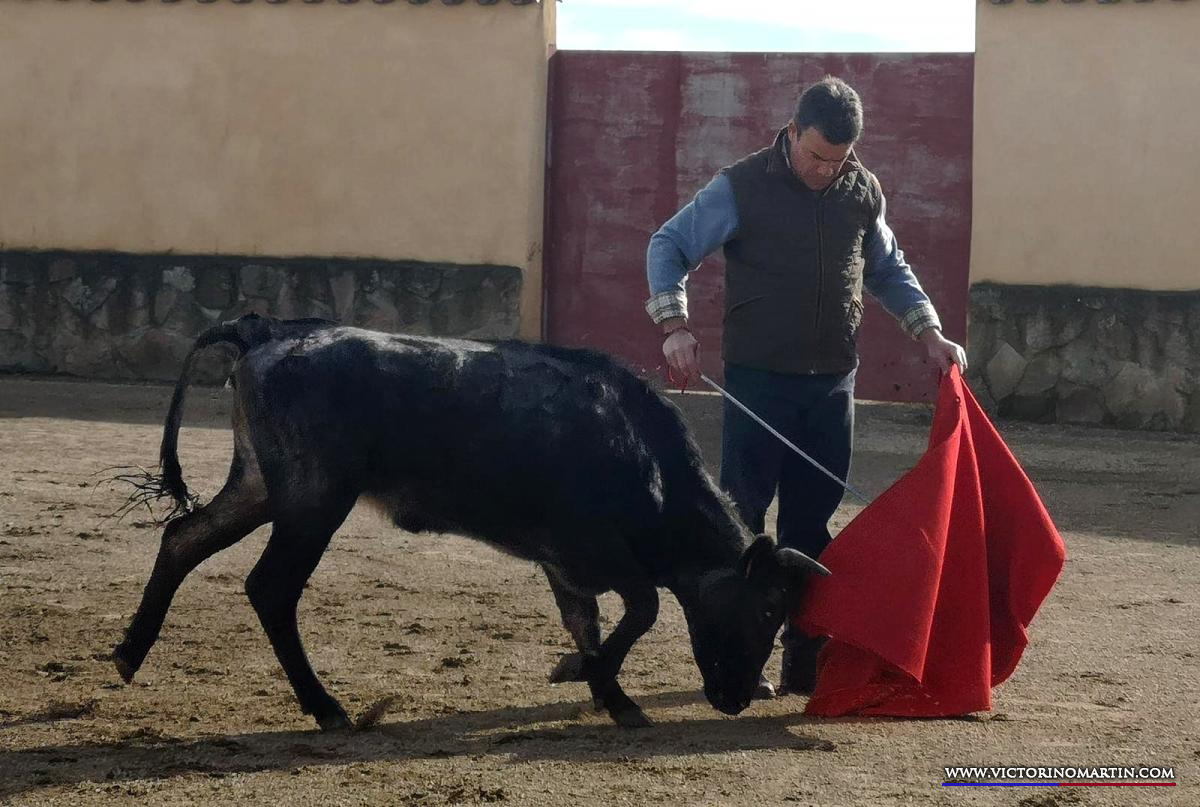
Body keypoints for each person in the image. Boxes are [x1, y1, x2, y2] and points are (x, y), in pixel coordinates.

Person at [644, 76, 967, 697]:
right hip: (758, 383)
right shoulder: (740, 186)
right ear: (791, 133)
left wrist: (930, 332)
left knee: (812, 527)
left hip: (830, 386)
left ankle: (802, 658)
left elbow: (888, 268)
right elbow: (670, 243)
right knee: (743, 523)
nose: (825, 169)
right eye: (816, 154)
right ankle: (739, 659)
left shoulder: (860, 190)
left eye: (838, 159)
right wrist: (674, 325)